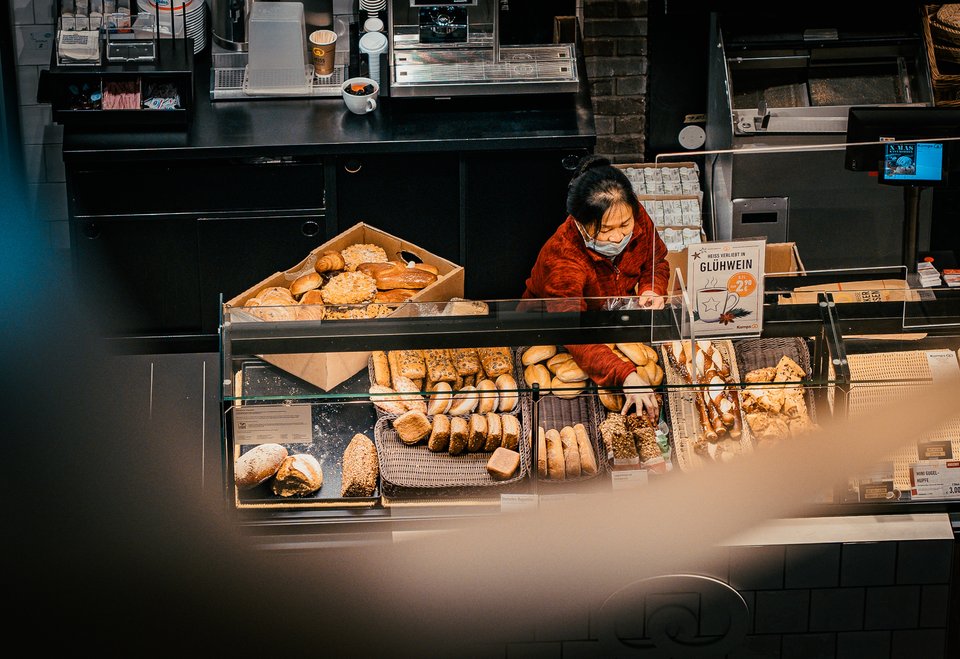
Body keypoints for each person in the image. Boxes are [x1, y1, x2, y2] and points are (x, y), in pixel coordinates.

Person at [522, 155, 670, 422]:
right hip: (554, 333)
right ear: (580, 222)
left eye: (624, 225)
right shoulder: (563, 257)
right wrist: (625, 376)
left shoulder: (633, 214)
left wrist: (651, 289)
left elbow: (656, 260)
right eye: (605, 229)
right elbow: (573, 331)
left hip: (609, 325)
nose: (618, 236)